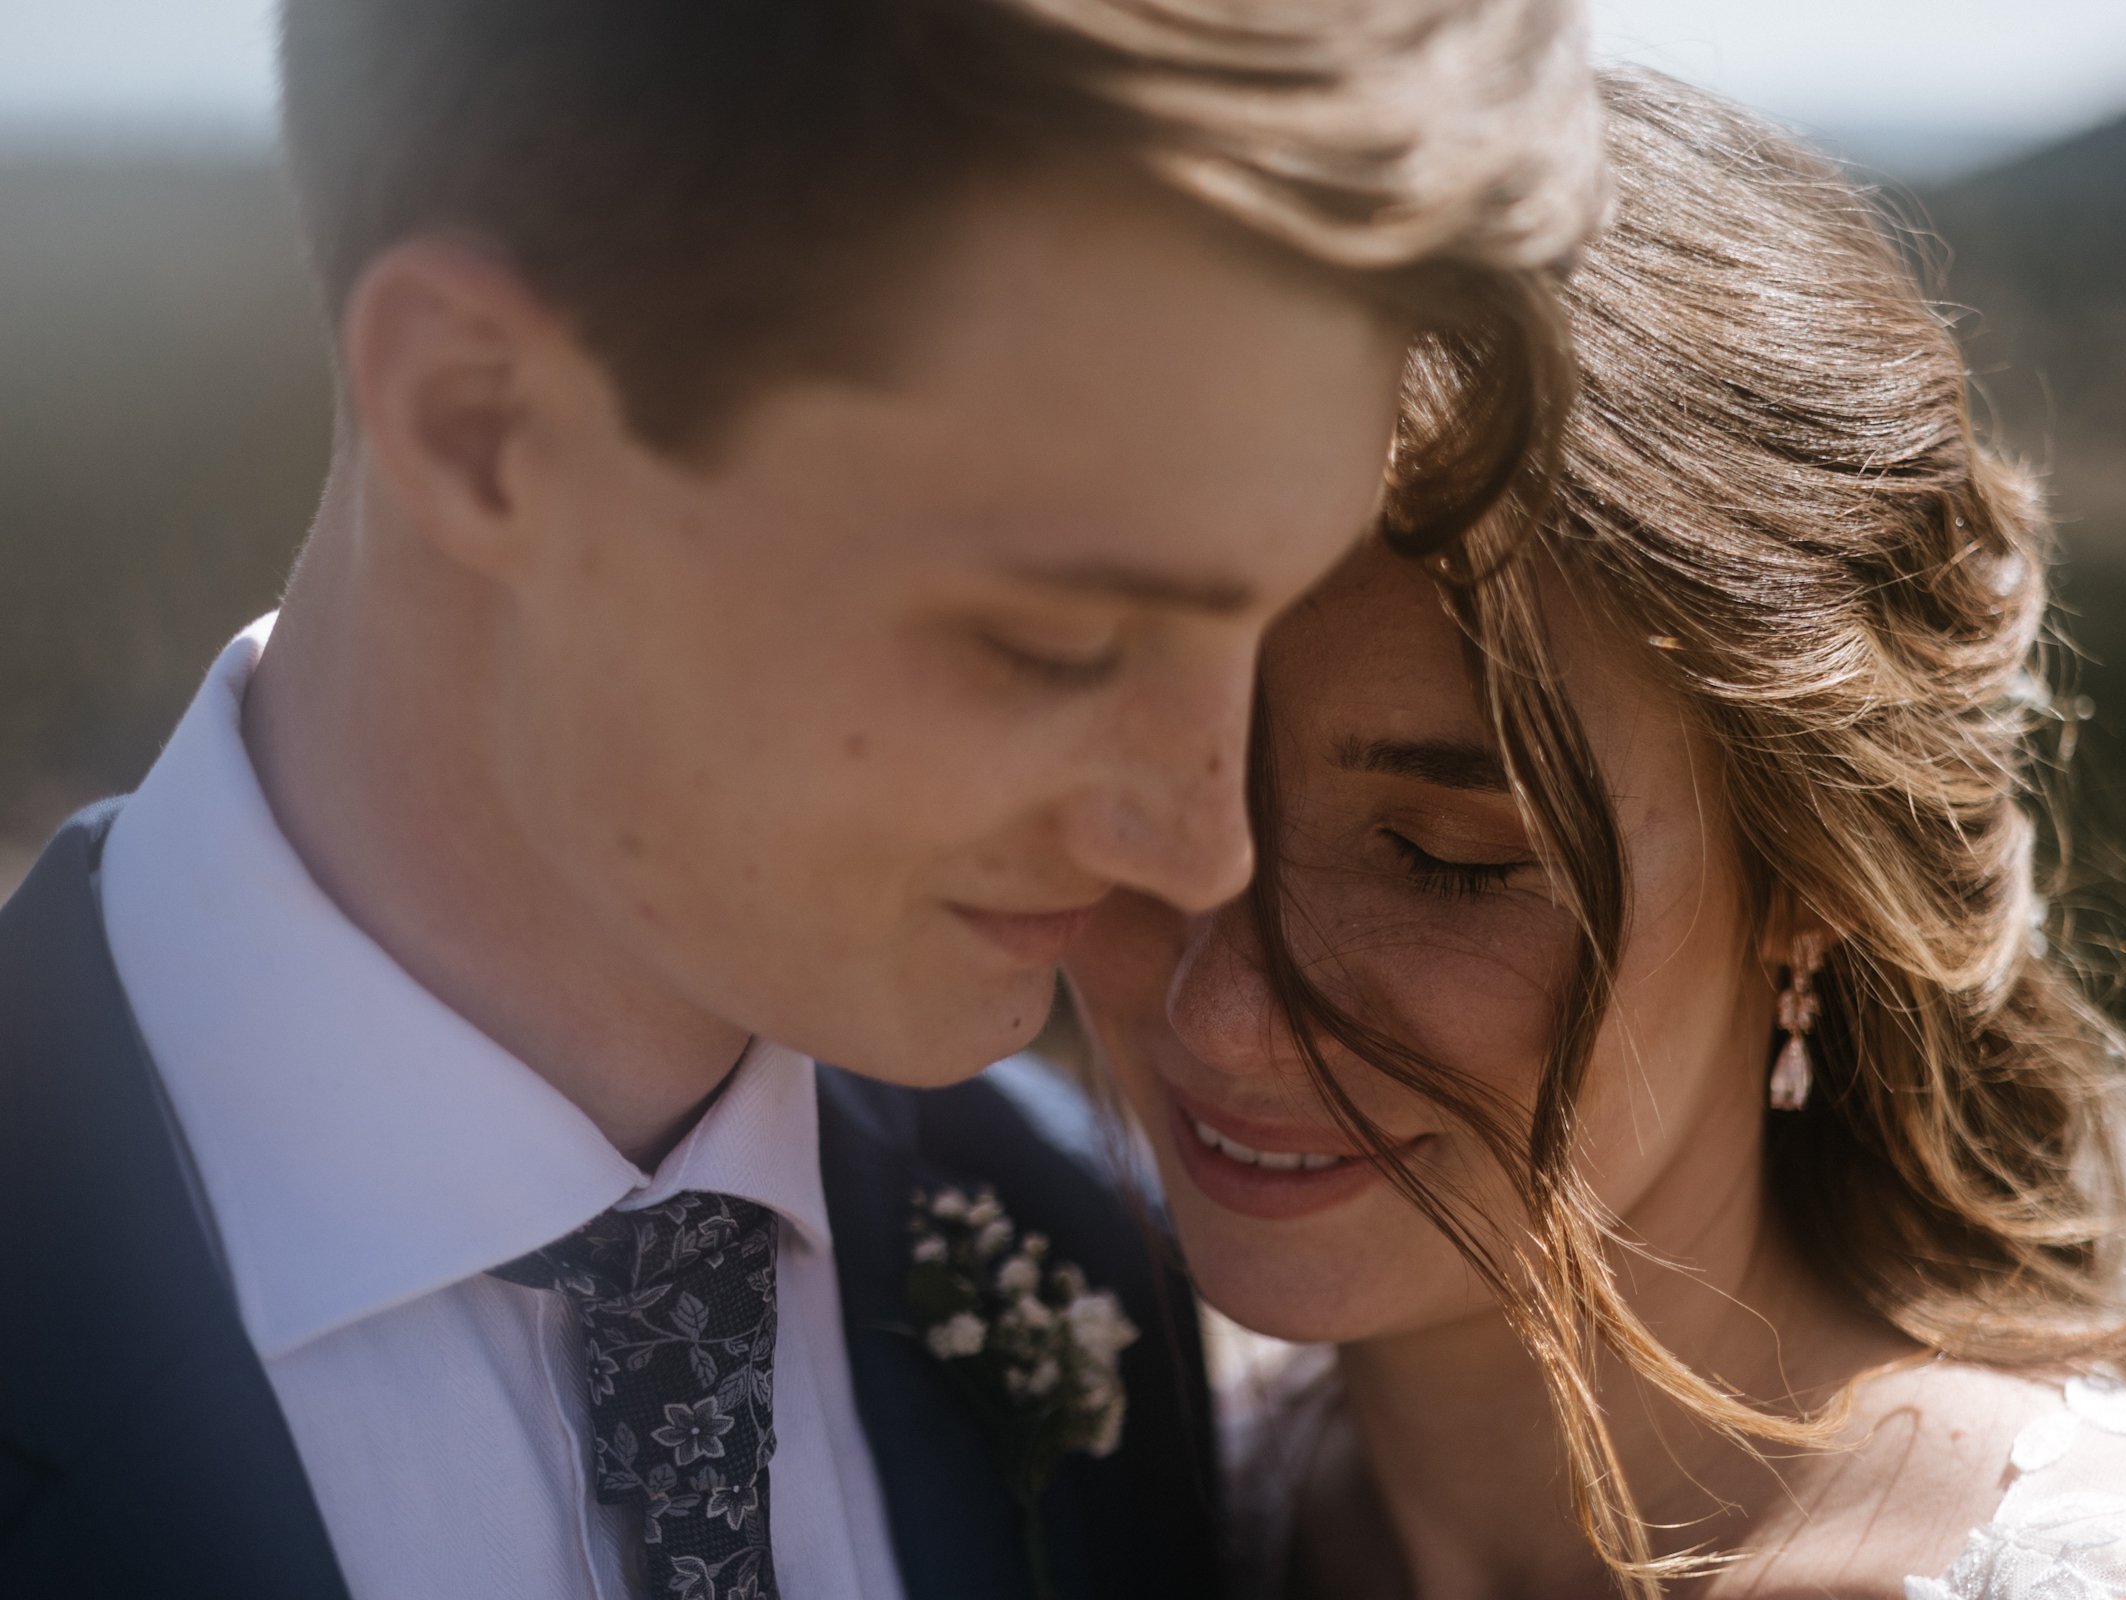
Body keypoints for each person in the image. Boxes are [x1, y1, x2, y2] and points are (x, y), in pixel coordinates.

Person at [0, 5, 1607, 1598]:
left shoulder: (1085, 1247)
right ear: (480, 422)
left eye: (1257, 634)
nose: (1200, 848)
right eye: (1055, 639)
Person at [1067, 68, 2126, 1599]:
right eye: (1154, 799)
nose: (1221, 1010)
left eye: (1452, 859)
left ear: (1808, 877)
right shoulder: (1159, 1500)